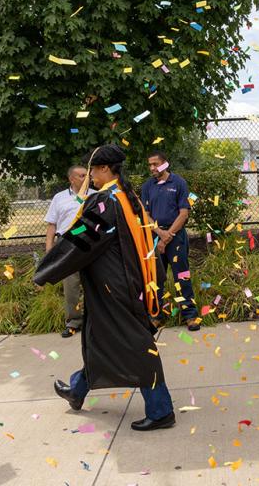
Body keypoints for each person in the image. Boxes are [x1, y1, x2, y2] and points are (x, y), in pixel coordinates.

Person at [34, 144, 175, 432]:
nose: (90, 177)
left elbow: (78, 241)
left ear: (105, 169)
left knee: (138, 346)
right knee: (99, 337)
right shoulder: (126, 197)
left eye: (93, 171)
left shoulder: (106, 202)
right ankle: (77, 389)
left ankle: (161, 410)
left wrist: (47, 269)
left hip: (116, 288)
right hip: (126, 284)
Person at [141, 151, 200, 331]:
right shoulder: (147, 187)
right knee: (156, 278)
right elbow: (146, 215)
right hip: (155, 236)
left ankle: (189, 315)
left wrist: (168, 236)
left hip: (176, 236)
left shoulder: (179, 183)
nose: (152, 168)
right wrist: (159, 232)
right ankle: (157, 315)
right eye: (150, 165)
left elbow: (184, 213)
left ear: (166, 163)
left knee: (181, 276)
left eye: (156, 164)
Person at [44, 165, 94, 337]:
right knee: (71, 286)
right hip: (66, 244)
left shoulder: (94, 196)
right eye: (81, 176)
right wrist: (49, 249)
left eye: (86, 175)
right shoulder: (59, 198)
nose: (85, 178)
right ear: (71, 179)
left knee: (93, 283)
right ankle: (74, 322)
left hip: (90, 243)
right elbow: (52, 224)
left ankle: (95, 321)